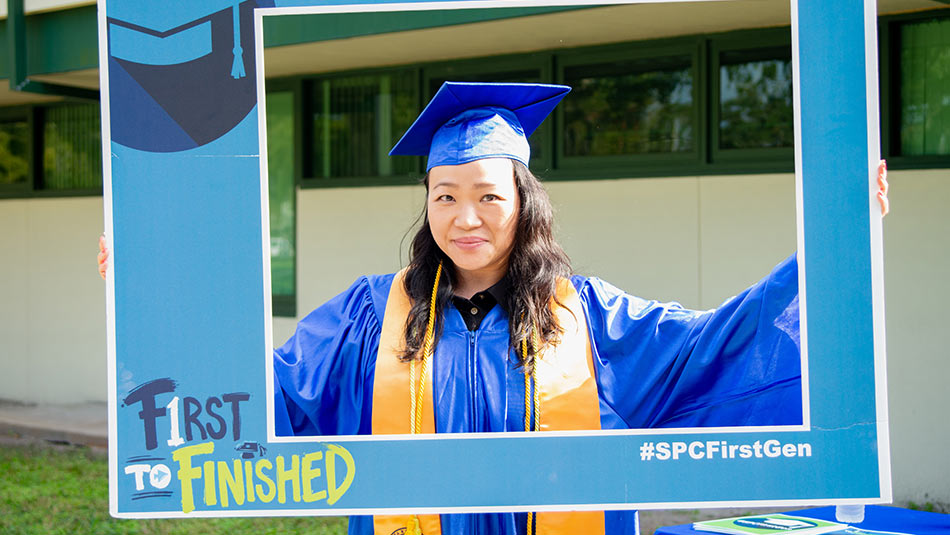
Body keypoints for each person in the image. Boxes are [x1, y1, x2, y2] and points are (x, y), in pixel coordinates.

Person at [99, 82, 889, 535]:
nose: (464, 217)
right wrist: (149, 296)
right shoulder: (369, 319)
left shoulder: (593, 321)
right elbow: (257, 392)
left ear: (524, 202)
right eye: (445, 195)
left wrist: (833, 249)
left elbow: (723, 346)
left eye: (487, 195)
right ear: (426, 203)